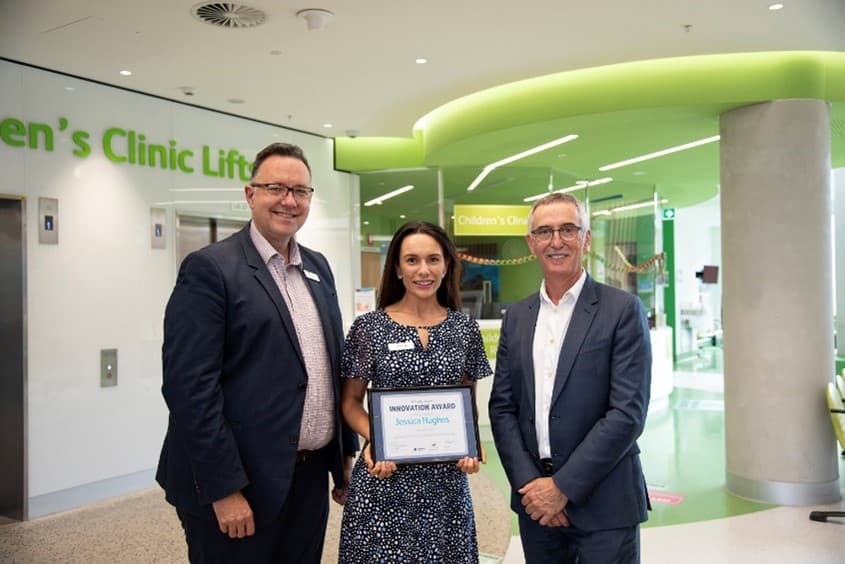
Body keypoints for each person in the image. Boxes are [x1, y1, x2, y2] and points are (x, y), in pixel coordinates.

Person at [156, 142, 358, 563]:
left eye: (300, 191)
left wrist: (343, 456)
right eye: (276, 188)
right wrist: (224, 489)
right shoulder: (211, 269)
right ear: (250, 194)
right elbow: (189, 389)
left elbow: (330, 367)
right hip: (238, 484)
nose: (289, 200)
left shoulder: (318, 267)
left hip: (305, 480)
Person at [489, 193, 652, 563]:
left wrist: (562, 488)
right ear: (531, 243)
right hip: (536, 507)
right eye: (544, 231)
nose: (556, 241)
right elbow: (502, 407)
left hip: (605, 502)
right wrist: (533, 487)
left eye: (567, 229)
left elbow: (627, 412)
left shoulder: (622, 310)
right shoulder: (516, 317)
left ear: (587, 237)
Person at [338, 220, 492, 563]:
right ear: (396, 267)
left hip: (445, 488)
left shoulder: (465, 329)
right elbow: (349, 402)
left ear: (447, 265)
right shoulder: (369, 328)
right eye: (412, 260)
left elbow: (468, 403)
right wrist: (376, 439)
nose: (424, 270)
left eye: (433, 259)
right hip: (384, 478)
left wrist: (470, 443)